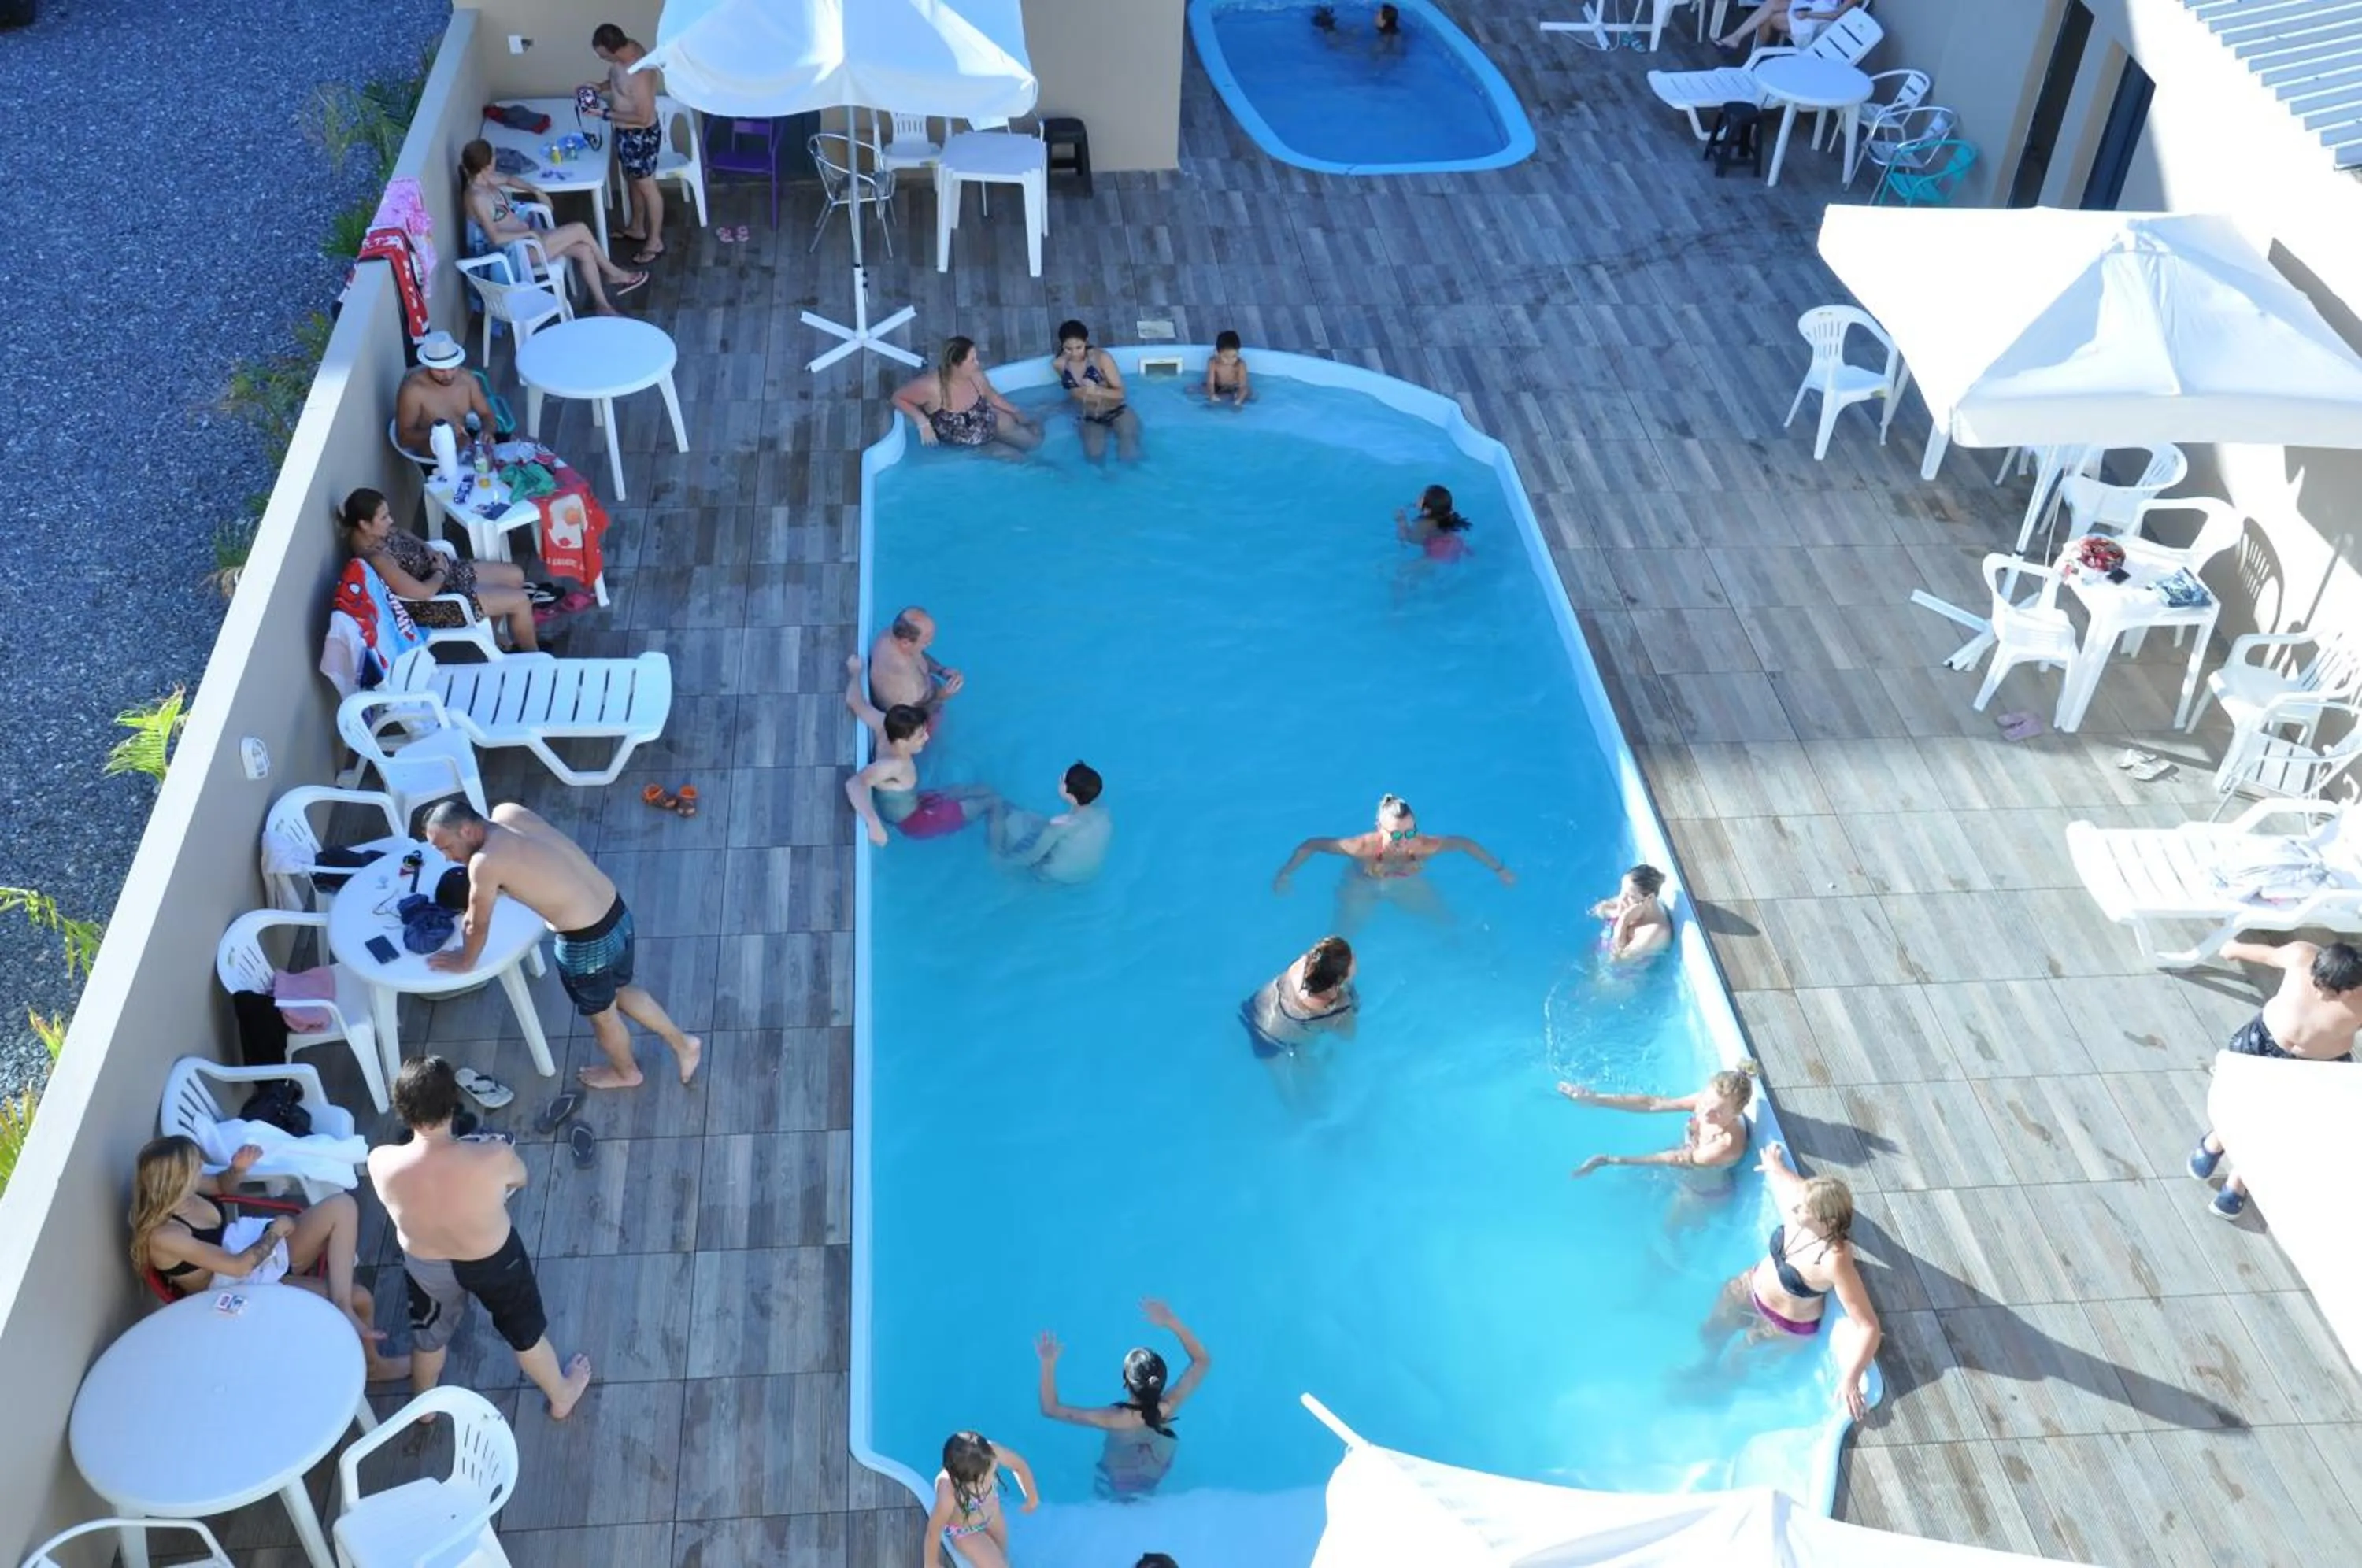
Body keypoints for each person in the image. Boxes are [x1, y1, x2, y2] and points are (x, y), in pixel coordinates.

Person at [368, 1057, 594, 1420]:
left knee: (429, 1339)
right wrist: (482, 1150)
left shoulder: (380, 1161)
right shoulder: (492, 1155)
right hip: (494, 1260)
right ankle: (562, 1394)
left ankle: (425, 1410)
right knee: (525, 1333)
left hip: (427, 1265)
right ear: (453, 1104)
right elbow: (519, 1179)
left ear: (402, 1110)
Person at [422, 799, 702, 1091]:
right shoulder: (510, 812)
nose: (446, 858)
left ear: (466, 831)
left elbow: (475, 925)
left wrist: (466, 960)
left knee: (604, 1018)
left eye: (445, 848)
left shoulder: (484, 862)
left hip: (587, 943)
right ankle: (684, 1044)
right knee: (618, 992)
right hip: (617, 913)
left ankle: (626, 1073)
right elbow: (536, 865)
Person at [129, 1135, 409, 1383]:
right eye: (194, 1168)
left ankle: (342, 1308)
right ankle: (372, 1365)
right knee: (363, 1299)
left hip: (248, 1251)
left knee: (342, 1206)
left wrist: (237, 1169)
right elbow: (238, 1266)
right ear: (175, 1181)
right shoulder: (166, 1236)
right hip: (236, 1290)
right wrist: (275, 1232)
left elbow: (219, 1184)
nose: (200, 1169)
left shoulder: (186, 1189)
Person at [1697, 1142, 1879, 1418]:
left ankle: (1711, 1401)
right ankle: (1702, 1365)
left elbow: (1868, 1326)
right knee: (1710, 1330)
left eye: (1803, 1208)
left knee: (1737, 1359)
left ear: (1826, 1220)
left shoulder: (1834, 1259)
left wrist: (1851, 1377)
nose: (1794, 1207)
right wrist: (1777, 1167)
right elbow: (1799, 1187)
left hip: (1782, 1324)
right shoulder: (1805, 1213)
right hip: (1750, 1286)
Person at [2189, 938, 2362, 1218]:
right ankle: (2217, 1139)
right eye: (2317, 985)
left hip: (2317, 1067)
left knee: (2275, 1127)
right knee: (2239, 1102)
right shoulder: (2301, 956)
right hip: (2262, 1045)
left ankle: (2239, 1181)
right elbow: (2268, 955)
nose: (2319, 997)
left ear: (2351, 989)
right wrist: (2233, 949)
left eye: (2330, 994)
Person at [1037, 1298, 1213, 1500]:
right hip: (1150, 1486)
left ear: (1126, 1382)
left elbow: (1049, 1408)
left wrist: (1048, 1363)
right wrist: (1173, 1322)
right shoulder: (1168, 1406)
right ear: (1161, 1382)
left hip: (1112, 1489)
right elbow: (1202, 1361)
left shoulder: (1112, 1418)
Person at [337, 487, 540, 653]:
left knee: (516, 575)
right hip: (438, 601)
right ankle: (534, 656)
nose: (390, 521)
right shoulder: (377, 559)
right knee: (520, 600)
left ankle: (493, 634)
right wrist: (440, 572)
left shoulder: (375, 533)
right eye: (384, 517)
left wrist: (426, 546)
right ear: (364, 524)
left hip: (443, 573)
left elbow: (400, 532)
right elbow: (422, 594)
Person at [459, 139, 646, 314]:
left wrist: (537, 192)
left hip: (530, 239)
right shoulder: (477, 197)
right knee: (580, 228)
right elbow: (495, 238)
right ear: (485, 167)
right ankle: (613, 273)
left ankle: (602, 305)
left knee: (584, 250)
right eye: (493, 158)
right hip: (518, 251)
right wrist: (530, 232)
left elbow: (509, 179)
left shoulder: (485, 180)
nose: (496, 160)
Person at [1273, 793, 1512, 929]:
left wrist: (1499, 869)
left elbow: (1464, 844)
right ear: (1380, 828)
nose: (1404, 840)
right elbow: (1311, 845)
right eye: (1396, 834)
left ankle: (1466, 958)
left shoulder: (1424, 845)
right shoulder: (1361, 847)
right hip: (1362, 886)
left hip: (1405, 885)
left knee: (1445, 921)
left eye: (1409, 832)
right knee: (1343, 933)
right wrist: (1286, 874)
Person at [844, 656, 991, 845]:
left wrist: (855, 673)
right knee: (989, 803)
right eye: (920, 736)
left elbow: (855, 702)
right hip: (915, 821)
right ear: (903, 740)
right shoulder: (893, 765)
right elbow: (854, 784)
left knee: (985, 791)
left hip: (916, 801)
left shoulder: (884, 725)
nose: (927, 737)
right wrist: (873, 824)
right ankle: (1002, 855)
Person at [1560, 1066, 1754, 1194]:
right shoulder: (1704, 1103)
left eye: (1718, 1112)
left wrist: (1611, 1159)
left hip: (1703, 1192)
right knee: (1625, 1187)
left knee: (1667, 1234)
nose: (1706, 1112)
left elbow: (1678, 1159)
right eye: (1705, 1101)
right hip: (1682, 1161)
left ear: (1737, 1112)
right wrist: (1596, 1099)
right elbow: (1653, 1103)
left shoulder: (1725, 1144)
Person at [585, 24, 665, 264]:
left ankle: (655, 242)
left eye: (602, 54)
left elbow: (642, 116)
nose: (599, 58)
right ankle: (637, 228)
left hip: (639, 136)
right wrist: (598, 87)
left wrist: (605, 115)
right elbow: (618, 83)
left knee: (647, 186)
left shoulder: (640, 71)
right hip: (625, 135)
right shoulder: (624, 52)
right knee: (632, 180)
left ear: (613, 50)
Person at [893, 337, 1042, 454]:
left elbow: (992, 396)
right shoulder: (931, 387)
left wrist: (1015, 411)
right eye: (972, 360)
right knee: (1023, 463)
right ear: (955, 364)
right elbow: (898, 398)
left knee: (1035, 443)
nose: (977, 363)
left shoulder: (976, 375)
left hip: (992, 421)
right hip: (977, 443)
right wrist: (922, 421)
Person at [924, 1430, 1037, 1568]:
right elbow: (934, 1531)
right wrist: (931, 1563)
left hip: (993, 1515)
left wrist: (1031, 1497)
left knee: (1002, 1553)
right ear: (959, 1480)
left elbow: (1019, 1465)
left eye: (992, 1473)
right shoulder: (948, 1492)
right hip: (966, 1531)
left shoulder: (991, 1453)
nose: (990, 1482)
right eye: (982, 1482)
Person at [989, 762, 1113, 883]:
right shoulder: (1103, 813)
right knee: (1034, 821)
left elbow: (1033, 856)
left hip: (1053, 876)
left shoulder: (1060, 824)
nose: (1060, 778)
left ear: (1071, 797)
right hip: (1086, 874)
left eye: (1062, 780)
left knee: (999, 809)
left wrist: (1006, 863)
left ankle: (996, 856)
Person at [1243, 935, 1357, 1057]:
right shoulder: (1337, 1010)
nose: (1354, 955)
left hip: (1257, 1005)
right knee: (1315, 1076)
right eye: (1352, 958)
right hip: (1273, 1041)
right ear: (1339, 980)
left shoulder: (1303, 963)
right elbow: (1349, 1035)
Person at [394, 330, 498, 454]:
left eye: (453, 368)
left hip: (467, 449)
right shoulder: (413, 391)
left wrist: (487, 431)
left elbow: (487, 414)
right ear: (429, 365)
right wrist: (440, 433)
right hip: (436, 458)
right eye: (440, 371)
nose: (448, 376)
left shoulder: (466, 379)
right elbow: (403, 438)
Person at [1054, 319, 1142, 463]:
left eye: (1079, 347)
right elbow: (1073, 392)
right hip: (1089, 417)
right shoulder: (1059, 364)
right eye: (1068, 349)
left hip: (1117, 411)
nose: (1075, 353)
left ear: (1086, 341)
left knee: (1129, 453)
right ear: (1062, 345)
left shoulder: (1102, 358)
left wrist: (1097, 390)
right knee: (1094, 457)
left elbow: (1120, 394)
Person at [868, 607, 963, 719]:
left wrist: (941, 670)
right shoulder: (905, 685)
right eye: (926, 641)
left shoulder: (892, 635)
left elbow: (918, 655)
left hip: (925, 696)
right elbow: (910, 717)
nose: (931, 643)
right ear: (906, 643)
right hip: (915, 718)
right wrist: (942, 696)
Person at [1591, 864, 1672, 962]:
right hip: (1599, 951)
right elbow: (1597, 910)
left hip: (1619, 975)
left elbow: (1617, 961)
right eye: (1622, 891)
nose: (1622, 898)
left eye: (1630, 896)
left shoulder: (1656, 931)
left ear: (1650, 898)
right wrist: (1615, 913)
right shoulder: (1630, 901)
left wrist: (1624, 920)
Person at [1717, 0, 1860, 50]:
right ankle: (1736, 37)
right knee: (1773, 3)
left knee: (1771, 19)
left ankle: (1757, 55)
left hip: (1821, 22)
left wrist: (1808, 15)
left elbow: (1836, 15)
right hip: (1811, 7)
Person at [1395, 484, 1472, 564]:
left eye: (1420, 498)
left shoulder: (1424, 524)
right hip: (1457, 544)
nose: (1417, 499)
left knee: (1402, 573)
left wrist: (1401, 520)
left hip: (1438, 551)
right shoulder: (1447, 516)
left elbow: (1413, 540)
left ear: (1427, 510)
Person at [1201, 331, 1252, 408]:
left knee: (1248, 393)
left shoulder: (1240, 365)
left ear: (1238, 352)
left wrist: (1239, 401)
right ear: (1217, 353)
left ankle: (1235, 401)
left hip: (1234, 388)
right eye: (1226, 357)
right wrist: (1212, 395)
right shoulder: (1213, 362)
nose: (1230, 360)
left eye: (1234, 356)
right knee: (1191, 390)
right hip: (1218, 386)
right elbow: (1210, 383)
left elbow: (1243, 386)